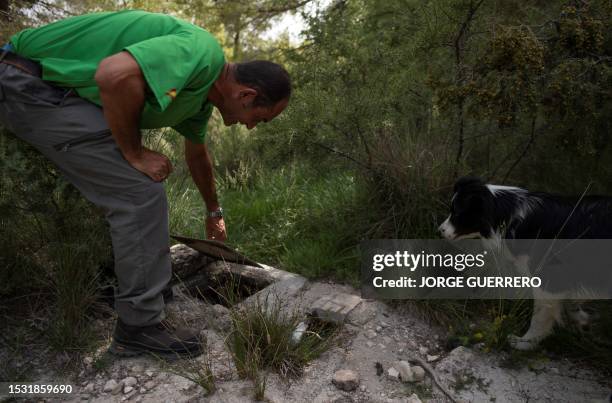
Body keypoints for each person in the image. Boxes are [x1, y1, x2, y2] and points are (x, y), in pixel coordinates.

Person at [0, 9, 291, 358]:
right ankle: (138, 327)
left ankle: (127, 286)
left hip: (40, 85)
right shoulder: (202, 52)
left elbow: (197, 156)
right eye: (258, 118)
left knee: (128, 184)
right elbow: (113, 75)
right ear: (245, 95)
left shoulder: (199, 99)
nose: (251, 127)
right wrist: (134, 152)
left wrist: (214, 211)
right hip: (27, 79)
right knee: (139, 192)